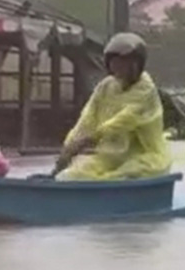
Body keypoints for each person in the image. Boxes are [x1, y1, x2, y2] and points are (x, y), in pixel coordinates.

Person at [55, 32, 172, 181]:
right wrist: (70, 145)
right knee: (69, 177)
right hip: (110, 157)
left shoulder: (146, 89)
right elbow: (88, 116)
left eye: (124, 62)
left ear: (137, 64)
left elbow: (124, 120)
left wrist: (88, 140)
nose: (117, 66)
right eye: (114, 61)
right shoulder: (106, 86)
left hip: (145, 157)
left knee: (122, 176)